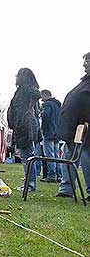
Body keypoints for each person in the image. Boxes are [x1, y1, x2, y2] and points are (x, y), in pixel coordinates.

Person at [56, 52, 90, 200]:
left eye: (87, 61)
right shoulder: (85, 81)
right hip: (72, 129)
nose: (84, 64)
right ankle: (67, 189)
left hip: (84, 129)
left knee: (86, 158)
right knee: (68, 157)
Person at [7, 68, 41, 192]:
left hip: (25, 126)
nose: (16, 78)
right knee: (25, 156)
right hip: (20, 125)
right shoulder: (21, 90)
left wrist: (29, 109)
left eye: (18, 75)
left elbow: (37, 94)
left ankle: (30, 184)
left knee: (27, 156)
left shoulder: (27, 88)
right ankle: (29, 183)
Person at [39, 90, 62, 183]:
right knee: (57, 156)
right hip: (57, 133)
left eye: (42, 97)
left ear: (45, 95)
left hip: (49, 132)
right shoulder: (57, 105)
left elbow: (46, 117)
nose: (41, 99)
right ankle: (59, 175)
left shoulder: (48, 104)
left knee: (49, 155)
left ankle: (51, 176)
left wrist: (43, 128)